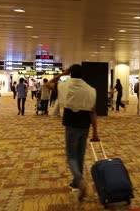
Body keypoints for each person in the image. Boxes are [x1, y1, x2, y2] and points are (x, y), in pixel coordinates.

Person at [46, 65, 99, 202]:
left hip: (71, 124)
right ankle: (76, 182)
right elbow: (93, 112)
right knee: (80, 154)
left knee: (71, 154)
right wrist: (95, 133)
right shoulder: (90, 90)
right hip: (84, 125)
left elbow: (48, 84)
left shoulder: (65, 86)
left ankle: (79, 179)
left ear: (70, 73)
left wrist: (62, 74)